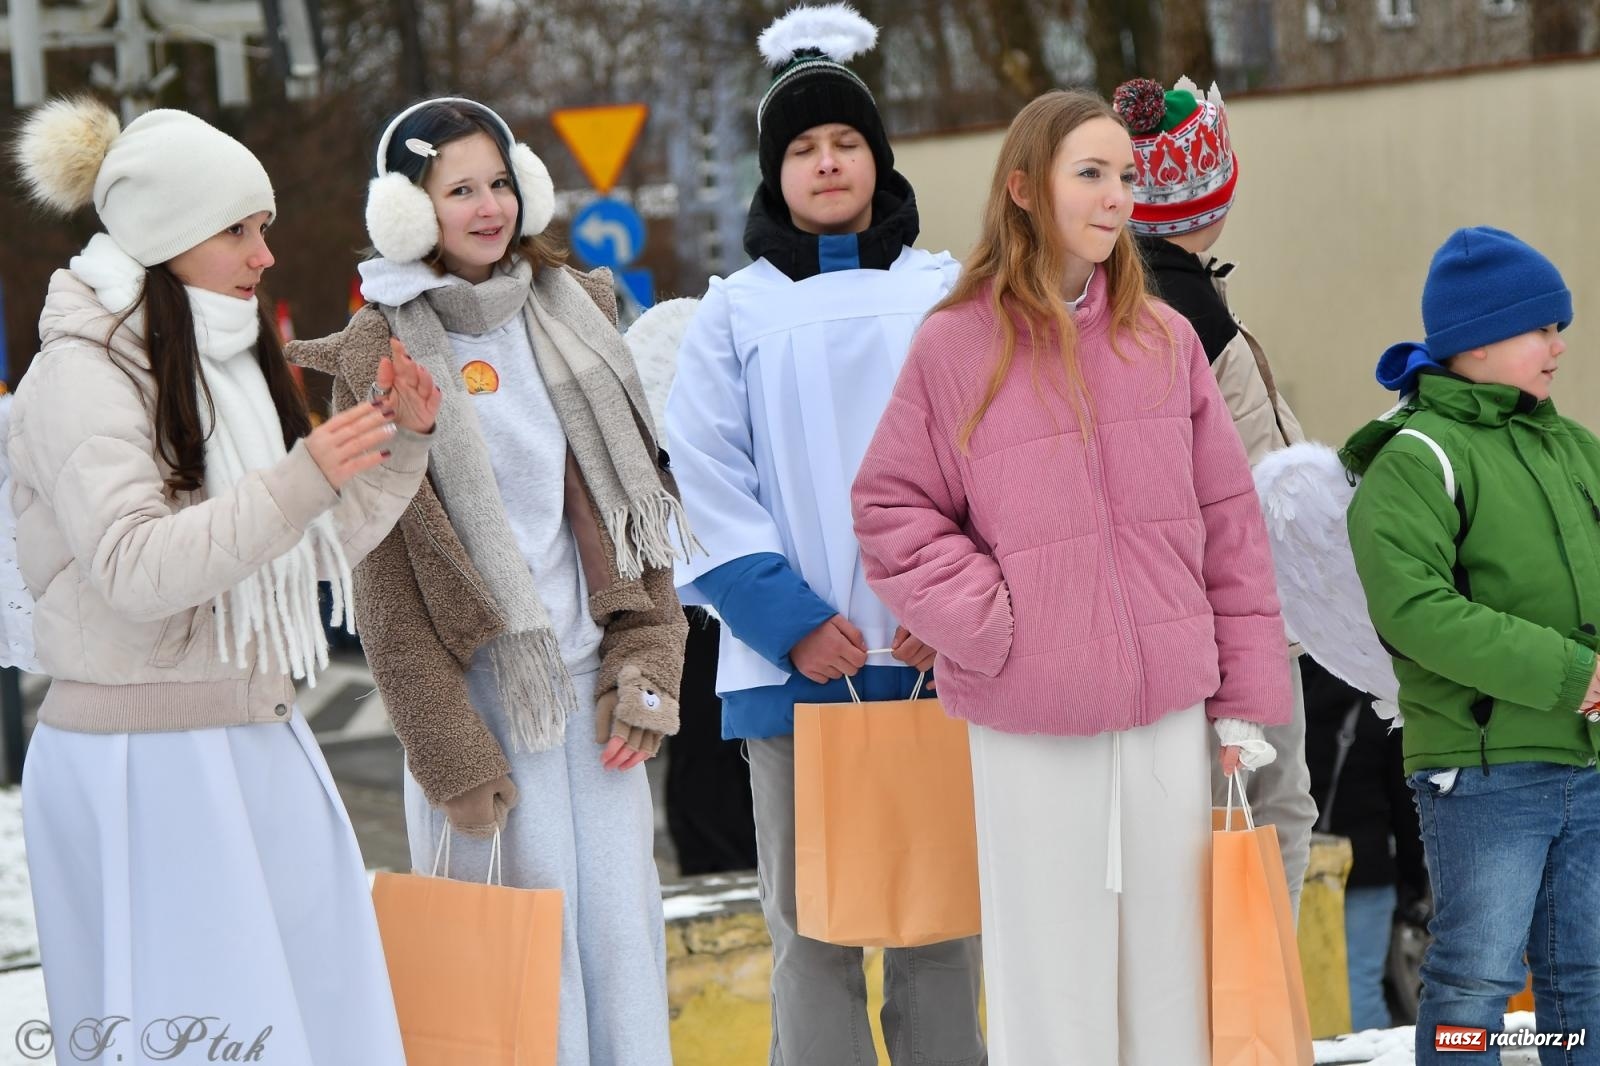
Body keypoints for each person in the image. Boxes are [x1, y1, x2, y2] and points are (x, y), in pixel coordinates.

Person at [851, 89, 1293, 1065]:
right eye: (1089, 173)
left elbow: (1230, 532)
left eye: (1125, 176)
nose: (1114, 196)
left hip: (1166, 710)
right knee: (1051, 984)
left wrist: (1242, 703)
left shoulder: (1163, 340)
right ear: (1022, 188)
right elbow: (888, 511)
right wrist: (998, 625)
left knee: (1173, 978)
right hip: (1028, 721)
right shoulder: (954, 344)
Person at [11, 97, 438, 1061]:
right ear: (170, 238)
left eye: (265, 229)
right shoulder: (79, 373)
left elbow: (300, 552)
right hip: (143, 763)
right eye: (240, 230)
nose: (265, 255)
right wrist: (306, 474)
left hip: (253, 736)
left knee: (315, 1023)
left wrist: (399, 447)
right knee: (207, 1035)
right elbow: (134, 568)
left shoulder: (225, 360)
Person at [288, 95, 689, 1066]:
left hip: (596, 703)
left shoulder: (576, 315)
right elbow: (384, 586)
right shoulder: (376, 357)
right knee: (516, 972)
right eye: (458, 187)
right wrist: (449, 755)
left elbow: (639, 510)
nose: (487, 205)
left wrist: (646, 657)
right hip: (485, 714)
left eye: (500, 181)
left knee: (622, 945)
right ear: (407, 209)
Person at [664, 6, 984, 1064]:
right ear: (774, 173)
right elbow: (707, 476)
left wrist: (955, 609)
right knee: (815, 930)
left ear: (878, 157)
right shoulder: (732, 313)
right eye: (803, 147)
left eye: (846, 141)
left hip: (932, 657)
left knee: (943, 924)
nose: (828, 161)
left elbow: (992, 459)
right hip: (798, 666)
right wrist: (790, 619)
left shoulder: (944, 294)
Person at [1343, 226, 1600, 1064]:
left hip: (1585, 757)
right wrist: (1573, 673)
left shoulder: (1571, 448)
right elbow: (1415, 610)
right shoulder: (1416, 458)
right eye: (1543, 328)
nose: (1560, 345)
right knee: (1474, 982)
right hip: (1486, 770)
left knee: (1583, 978)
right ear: (1480, 342)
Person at [1113, 75, 1319, 917]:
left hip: (1153, 630)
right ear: (1213, 198)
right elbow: (1256, 490)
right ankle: (1252, 1022)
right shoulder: (1204, 327)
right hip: (1237, 629)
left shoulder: (1107, 308)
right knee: (1271, 816)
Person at [1301, 655, 1429, 1030]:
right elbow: (1404, 805)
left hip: (1296, 865)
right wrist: (1411, 881)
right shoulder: (1376, 701)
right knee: (1361, 984)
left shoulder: (1291, 691)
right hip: (1366, 863)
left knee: (1298, 985)